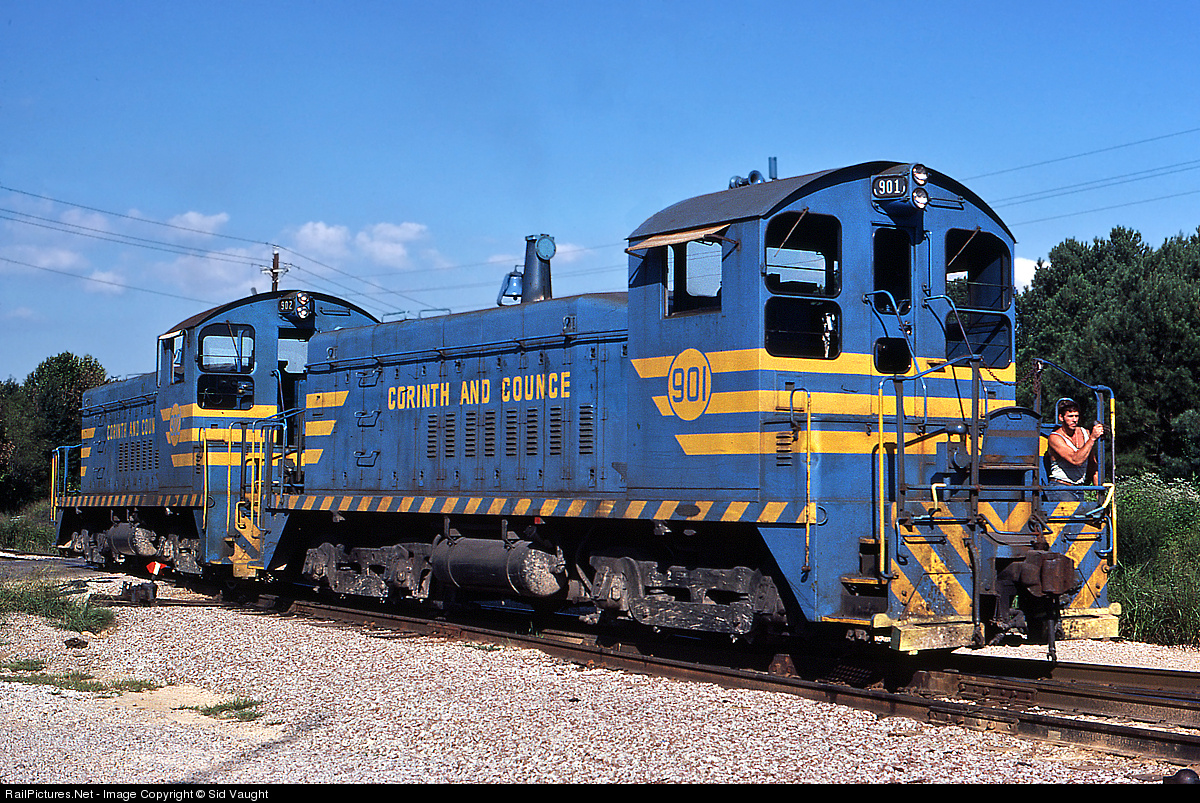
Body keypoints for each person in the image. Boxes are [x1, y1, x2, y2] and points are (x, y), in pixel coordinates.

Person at [1046, 398, 1104, 502]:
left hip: (1079, 488)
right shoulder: (1055, 438)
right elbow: (1075, 460)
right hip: (1060, 487)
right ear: (1061, 417)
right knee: (1072, 511)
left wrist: (1099, 491)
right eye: (1070, 416)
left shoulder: (1085, 433)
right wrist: (1092, 438)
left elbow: (1092, 464)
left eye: (1076, 416)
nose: (1074, 420)